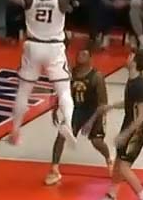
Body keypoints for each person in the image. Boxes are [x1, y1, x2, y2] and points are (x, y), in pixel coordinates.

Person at [8, 0, 83, 147]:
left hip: (33, 46)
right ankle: (67, 122)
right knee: (64, 90)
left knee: (24, 90)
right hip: (53, 47)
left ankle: (15, 130)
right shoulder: (61, 0)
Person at [86, 49, 143, 200]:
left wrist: (125, 134)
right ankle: (111, 197)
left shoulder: (140, 85)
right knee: (118, 165)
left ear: (135, 61)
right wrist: (111, 106)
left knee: (124, 167)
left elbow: (142, 115)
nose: (127, 57)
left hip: (137, 130)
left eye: (130, 56)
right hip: (130, 126)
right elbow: (129, 103)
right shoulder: (132, 80)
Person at [46, 48, 111, 186]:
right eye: (79, 53)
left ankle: (109, 160)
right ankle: (54, 169)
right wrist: (56, 107)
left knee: (97, 142)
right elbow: (63, 90)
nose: (80, 56)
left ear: (90, 58)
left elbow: (103, 104)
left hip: (94, 111)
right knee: (61, 135)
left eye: (84, 54)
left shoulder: (97, 77)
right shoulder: (71, 73)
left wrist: (90, 122)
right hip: (76, 110)